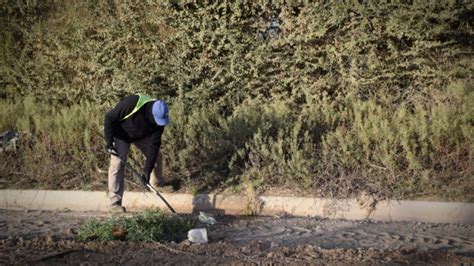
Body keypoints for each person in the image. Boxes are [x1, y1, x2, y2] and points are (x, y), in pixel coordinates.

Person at [104, 94, 169, 213]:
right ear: (151, 114)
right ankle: (114, 202)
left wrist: (146, 171)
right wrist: (109, 141)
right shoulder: (132, 102)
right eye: (157, 121)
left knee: (157, 157)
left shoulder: (159, 123)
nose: (158, 124)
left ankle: (157, 184)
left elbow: (153, 147)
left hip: (141, 136)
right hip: (121, 135)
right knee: (117, 164)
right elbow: (109, 117)